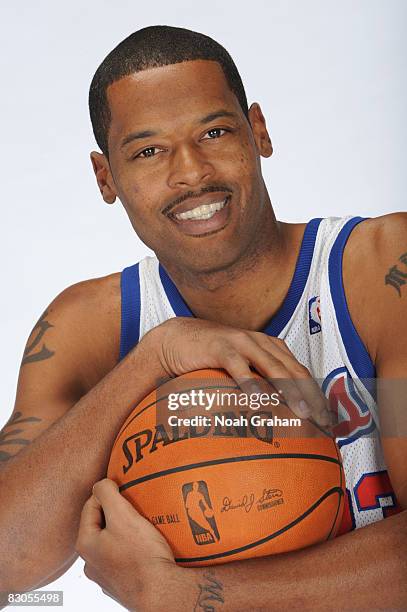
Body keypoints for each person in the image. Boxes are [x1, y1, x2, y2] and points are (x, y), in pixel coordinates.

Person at [0, 25, 406, 610]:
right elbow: (10, 558)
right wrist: (156, 355)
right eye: (148, 151)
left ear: (258, 131)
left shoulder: (381, 274)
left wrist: (191, 598)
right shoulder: (88, 328)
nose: (191, 173)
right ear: (105, 177)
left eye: (214, 132)